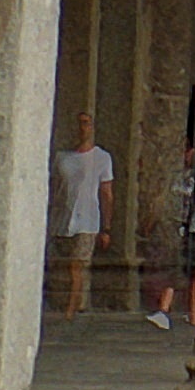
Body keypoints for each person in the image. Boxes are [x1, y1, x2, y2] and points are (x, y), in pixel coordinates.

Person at [51, 117, 117, 316]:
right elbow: (55, 189)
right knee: (62, 266)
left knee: (77, 266)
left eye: (87, 123)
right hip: (62, 220)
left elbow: (107, 193)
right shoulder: (62, 158)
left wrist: (106, 227)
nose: (82, 128)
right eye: (79, 123)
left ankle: (72, 309)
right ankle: (68, 303)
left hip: (88, 221)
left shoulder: (102, 158)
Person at [148, 141, 195, 332]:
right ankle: (172, 310)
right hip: (182, 227)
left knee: (190, 271)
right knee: (184, 269)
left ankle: (172, 311)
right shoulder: (179, 175)